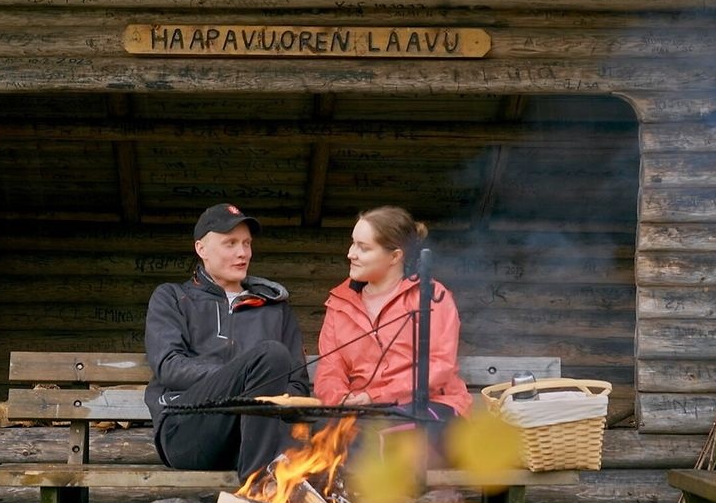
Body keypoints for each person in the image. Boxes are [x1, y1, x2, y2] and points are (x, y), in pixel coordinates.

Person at [144, 203, 312, 480]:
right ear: (201, 249)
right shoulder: (172, 297)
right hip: (188, 431)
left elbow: (297, 384)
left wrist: (261, 388)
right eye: (230, 243)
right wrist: (243, 376)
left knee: (340, 430)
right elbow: (169, 367)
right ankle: (258, 485)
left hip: (250, 437)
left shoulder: (274, 308)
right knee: (270, 355)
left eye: (246, 243)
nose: (242, 253)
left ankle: (257, 485)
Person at [313, 206, 471, 448]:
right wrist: (341, 399)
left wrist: (376, 396)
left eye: (363, 248)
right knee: (320, 433)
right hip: (362, 414)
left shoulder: (431, 295)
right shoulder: (339, 302)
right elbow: (330, 369)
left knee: (378, 436)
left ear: (395, 256)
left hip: (430, 409)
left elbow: (439, 365)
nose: (350, 254)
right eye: (353, 244)